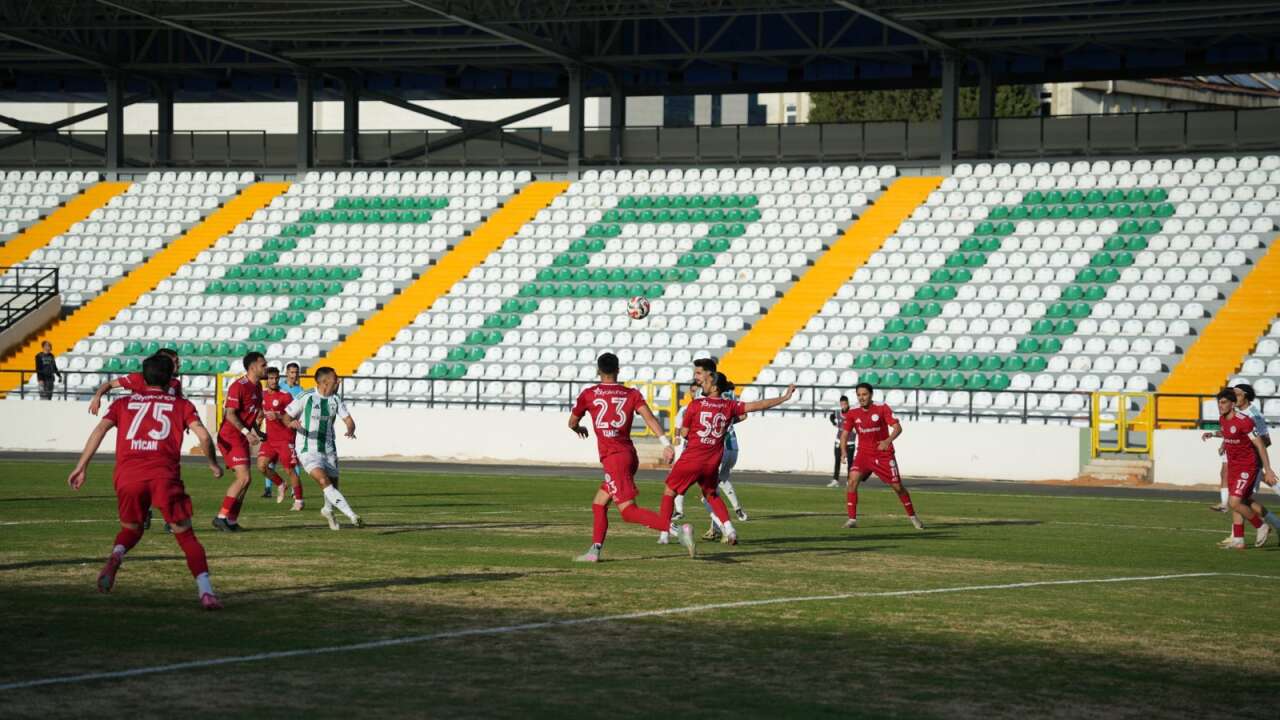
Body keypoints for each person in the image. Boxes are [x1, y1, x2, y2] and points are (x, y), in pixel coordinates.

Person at [66, 354, 224, 610]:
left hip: (128, 477)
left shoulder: (124, 403)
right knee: (186, 536)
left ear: (143, 376)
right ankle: (206, 592)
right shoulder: (181, 405)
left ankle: (116, 555)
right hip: (164, 476)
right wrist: (213, 463)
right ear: (171, 377)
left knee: (131, 529)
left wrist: (81, 466)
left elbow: (99, 430)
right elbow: (204, 437)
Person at [654, 370, 795, 550]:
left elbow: (684, 433)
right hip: (712, 461)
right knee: (711, 494)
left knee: (669, 491)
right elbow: (758, 405)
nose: (701, 384)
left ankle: (664, 534)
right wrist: (783, 398)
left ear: (714, 387)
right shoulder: (729, 405)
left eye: (705, 382)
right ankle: (730, 529)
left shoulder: (695, 405)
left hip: (692, 458)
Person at [568, 352, 679, 563]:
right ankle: (594, 551)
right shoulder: (631, 394)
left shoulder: (589, 394)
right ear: (618, 370)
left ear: (598, 371)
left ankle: (676, 529)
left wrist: (579, 428)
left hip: (614, 458)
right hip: (628, 455)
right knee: (599, 503)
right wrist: (666, 444)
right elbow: (649, 418)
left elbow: (572, 422)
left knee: (628, 512)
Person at [277, 366, 362, 530]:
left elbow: (349, 420)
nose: (339, 381)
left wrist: (350, 429)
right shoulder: (306, 396)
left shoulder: (335, 399)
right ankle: (353, 516)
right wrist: (290, 422)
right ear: (324, 382)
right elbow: (286, 417)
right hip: (307, 449)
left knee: (333, 485)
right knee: (323, 480)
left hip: (329, 448)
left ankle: (328, 510)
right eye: (335, 378)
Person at [672, 357, 748, 533]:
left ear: (709, 375)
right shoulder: (726, 396)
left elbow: (684, 430)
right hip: (728, 446)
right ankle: (730, 518)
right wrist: (724, 423)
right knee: (718, 484)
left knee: (703, 491)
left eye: (698, 373)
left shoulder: (701, 399)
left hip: (707, 450)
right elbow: (743, 415)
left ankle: (720, 526)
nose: (696, 377)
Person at [1202, 388, 1280, 550]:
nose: (1220, 406)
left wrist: (1268, 469)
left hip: (1248, 466)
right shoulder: (1222, 419)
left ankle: (1261, 526)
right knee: (1240, 502)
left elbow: (1260, 444)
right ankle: (1238, 538)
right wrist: (1213, 435)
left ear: (1232, 404)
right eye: (1219, 403)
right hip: (1234, 466)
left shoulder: (1244, 420)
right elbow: (1227, 432)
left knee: (1235, 501)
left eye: (1223, 402)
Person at [839, 382, 924, 530]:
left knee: (898, 487)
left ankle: (913, 517)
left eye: (864, 394)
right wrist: (844, 451)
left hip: (883, 453)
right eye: (858, 395)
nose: (861, 398)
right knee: (852, 481)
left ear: (871, 394)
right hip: (863, 454)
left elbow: (898, 428)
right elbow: (844, 434)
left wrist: (887, 441)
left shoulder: (881, 408)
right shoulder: (853, 412)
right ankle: (852, 519)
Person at [212, 352, 267, 531]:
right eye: (263, 365)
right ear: (252, 367)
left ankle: (232, 520)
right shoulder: (239, 386)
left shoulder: (258, 387)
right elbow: (230, 414)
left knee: (246, 480)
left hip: (242, 436)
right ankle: (221, 517)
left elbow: (251, 416)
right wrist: (246, 432)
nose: (266, 368)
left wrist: (258, 432)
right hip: (230, 436)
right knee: (244, 477)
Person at [258, 366, 304, 510]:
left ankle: (299, 501)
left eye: (276, 378)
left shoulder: (285, 396)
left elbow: (293, 415)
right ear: (266, 380)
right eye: (271, 378)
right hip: (270, 439)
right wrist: (257, 426)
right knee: (261, 466)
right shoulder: (262, 395)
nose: (274, 381)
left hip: (285, 438)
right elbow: (260, 413)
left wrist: (278, 416)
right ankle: (281, 484)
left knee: (290, 470)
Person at [88, 348, 183, 415]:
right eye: (176, 361)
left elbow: (179, 405)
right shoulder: (138, 377)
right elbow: (110, 384)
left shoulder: (176, 383)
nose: (179, 365)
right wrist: (97, 396)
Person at [827, 395, 855, 488]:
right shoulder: (838, 412)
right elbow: (831, 416)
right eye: (842, 404)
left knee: (850, 462)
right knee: (837, 460)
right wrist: (834, 423)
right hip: (838, 440)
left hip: (850, 441)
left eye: (845, 404)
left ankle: (849, 480)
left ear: (848, 403)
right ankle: (835, 480)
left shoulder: (853, 413)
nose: (843, 406)